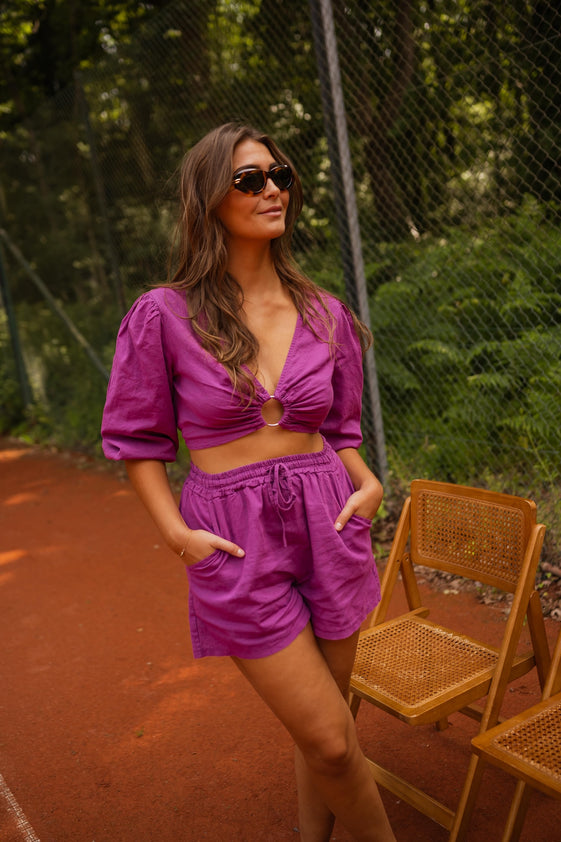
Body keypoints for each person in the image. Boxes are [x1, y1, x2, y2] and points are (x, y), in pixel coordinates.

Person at [101, 122, 396, 842]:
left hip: (330, 520)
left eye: (279, 175)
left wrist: (369, 487)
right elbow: (138, 441)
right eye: (249, 179)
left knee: (327, 729)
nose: (272, 190)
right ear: (209, 198)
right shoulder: (163, 314)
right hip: (234, 540)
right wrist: (177, 535)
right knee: (331, 741)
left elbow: (340, 429)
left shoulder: (326, 313)